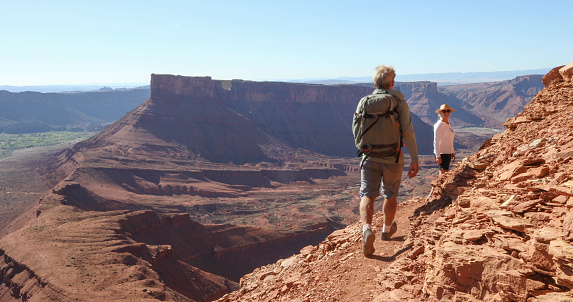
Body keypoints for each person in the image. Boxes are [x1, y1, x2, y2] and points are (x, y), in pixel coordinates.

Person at [358, 65, 419, 256]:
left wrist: (364, 149)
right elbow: (407, 132)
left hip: (369, 156)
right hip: (392, 157)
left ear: (375, 83)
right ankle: (386, 230)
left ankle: (367, 229)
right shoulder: (398, 101)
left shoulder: (364, 102)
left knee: (367, 194)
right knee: (390, 194)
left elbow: (356, 129)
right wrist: (414, 158)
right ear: (392, 83)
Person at [433, 104, 456, 174]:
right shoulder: (439, 125)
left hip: (448, 152)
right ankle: (440, 185)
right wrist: (438, 156)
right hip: (442, 153)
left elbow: (449, 139)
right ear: (440, 113)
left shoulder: (447, 124)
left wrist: (452, 152)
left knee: (445, 172)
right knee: (443, 173)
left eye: (448, 111)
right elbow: (436, 141)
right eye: (444, 111)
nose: (446, 113)